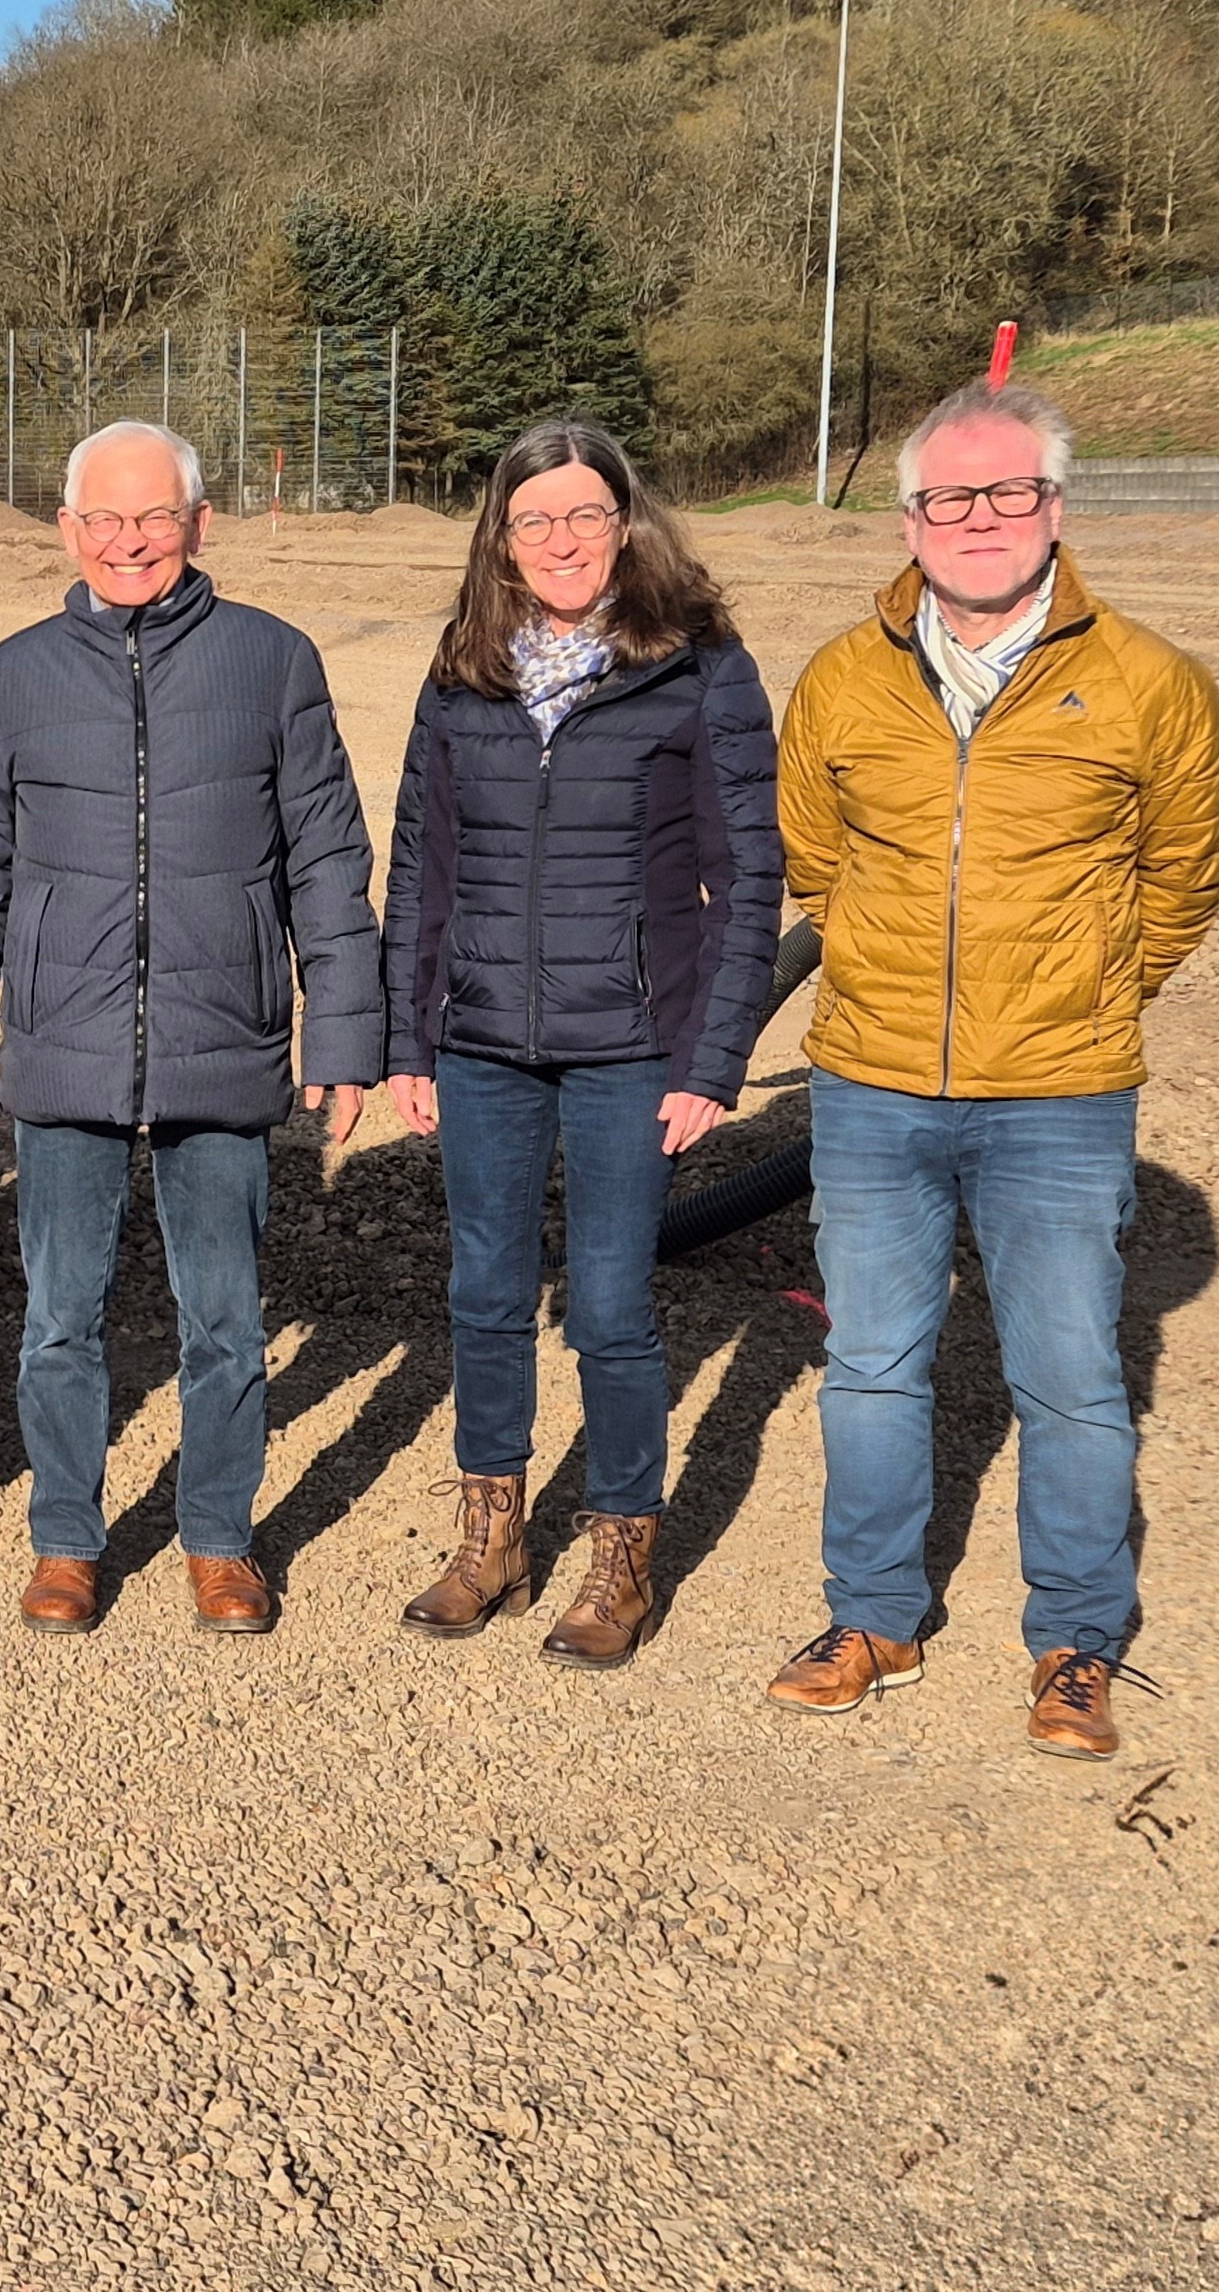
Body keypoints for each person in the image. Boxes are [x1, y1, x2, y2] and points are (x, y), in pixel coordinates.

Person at [767, 380, 1219, 1760]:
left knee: (1074, 1373)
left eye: (1008, 491)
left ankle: (1075, 1638)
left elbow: (1181, 881)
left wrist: (1086, 993)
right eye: (948, 497)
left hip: (1061, 1091)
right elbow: (816, 856)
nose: (979, 519)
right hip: (871, 1081)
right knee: (870, 1363)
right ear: (909, 517)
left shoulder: (1149, 680)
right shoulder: (843, 677)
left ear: (1055, 506)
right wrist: (887, 978)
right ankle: (873, 1616)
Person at [0, 421, 382, 1637]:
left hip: (221, 1037)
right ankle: (67, 1539)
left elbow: (328, 860)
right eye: (103, 520)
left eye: (154, 517)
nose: (128, 541)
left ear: (198, 520)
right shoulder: (11, 675)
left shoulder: (271, 662)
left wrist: (341, 1034)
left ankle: (218, 1538)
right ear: (65, 529)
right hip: (61, 1051)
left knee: (224, 1318)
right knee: (59, 1315)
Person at [379, 422, 782, 1667]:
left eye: (583, 515)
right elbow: (420, 869)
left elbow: (748, 874)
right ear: (500, 536)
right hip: (482, 1039)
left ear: (627, 523)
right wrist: (407, 1036)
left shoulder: (696, 664)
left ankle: (619, 1550)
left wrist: (710, 1059)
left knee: (609, 1305)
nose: (559, 540)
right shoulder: (461, 673)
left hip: (630, 1045)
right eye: (533, 519)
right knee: (485, 1291)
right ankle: (489, 1532)